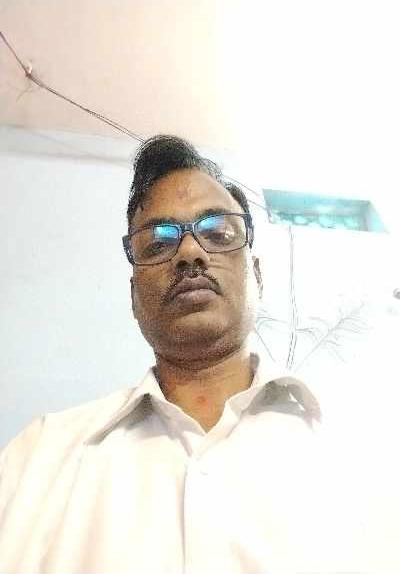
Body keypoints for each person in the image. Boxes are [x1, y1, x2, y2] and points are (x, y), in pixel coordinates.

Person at [0, 135, 380, 573]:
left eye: (217, 233)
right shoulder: (38, 458)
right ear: (133, 296)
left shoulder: (365, 449)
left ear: (256, 275)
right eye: (158, 243)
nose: (189, 251)